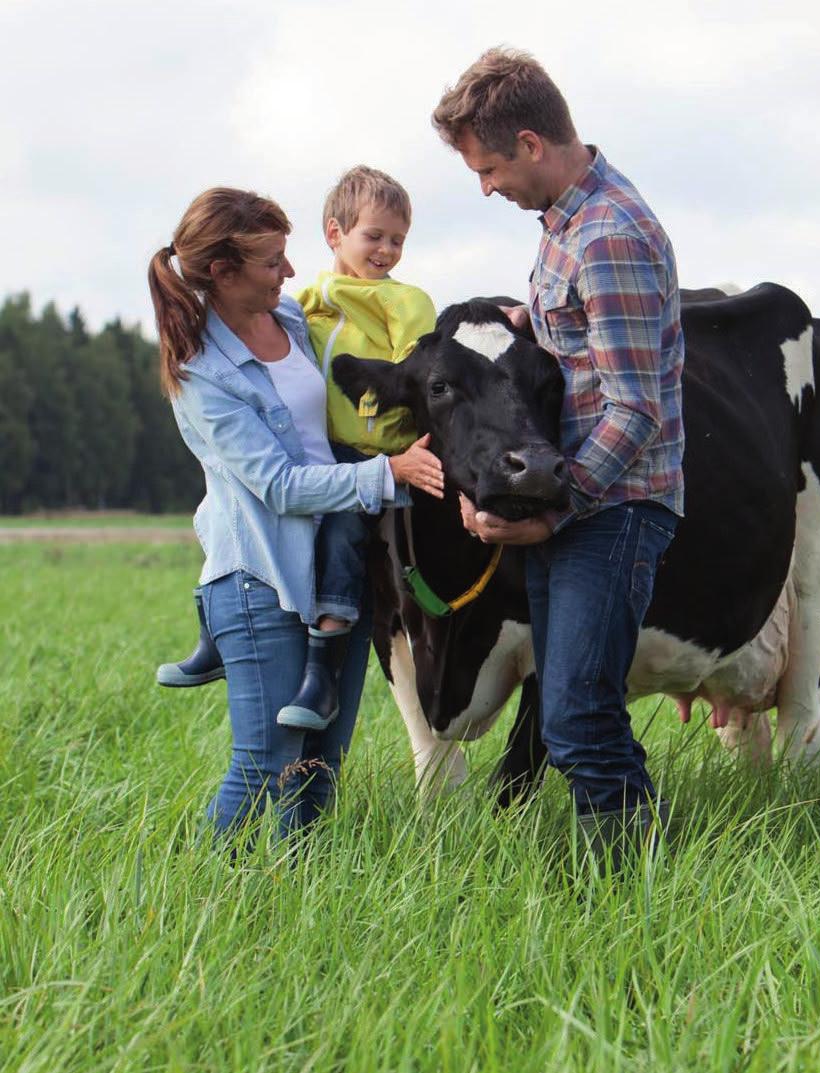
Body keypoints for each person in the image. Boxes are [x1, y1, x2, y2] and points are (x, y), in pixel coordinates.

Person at [432, 48, 685, 865]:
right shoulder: (562, 227)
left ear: (533, 143)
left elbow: (634, 407)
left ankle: (633, 882)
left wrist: (555, 507)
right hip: (571, 506)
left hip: (607, 508)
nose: (486, 187)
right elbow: (583, 351)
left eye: (490, 167)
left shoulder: (607, 236)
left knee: (576, 714)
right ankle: (633, 873)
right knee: (571, 708)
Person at [148, 187, 443, 839]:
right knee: (263, 764)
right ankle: (200, 897)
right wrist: (385, 472)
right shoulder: (202, 374)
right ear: (223, 273)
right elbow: (278, 485)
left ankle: (293, 902)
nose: (289, 271)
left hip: (337, 569)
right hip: (263, 581)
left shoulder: (288, 317)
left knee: (318, 766)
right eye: (272, 261)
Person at [281, 166, 436, 730]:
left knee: (346, 537)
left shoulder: (404, 301)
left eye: (398, 239)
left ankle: (323, 666)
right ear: (334, 232)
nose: (387, 250)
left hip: (382, 457)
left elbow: (414, 372)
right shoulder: (304, 304)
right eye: (374, 235)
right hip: (319, 455)